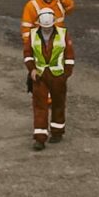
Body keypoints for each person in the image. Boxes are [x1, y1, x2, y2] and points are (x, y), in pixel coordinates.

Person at [24, 9, 74, 149]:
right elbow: (28, 54)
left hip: (57, 76)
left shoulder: (63, 35)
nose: (47, 29)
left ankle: (57, 132)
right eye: (44, 27)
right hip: (39, 76)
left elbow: (69, 57)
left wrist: (66, 75)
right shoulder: (33, 35)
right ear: (39, 24)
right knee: (40, 106)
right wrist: (31, 69)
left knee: (58, 104)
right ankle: (40, 139)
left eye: (49, 27)